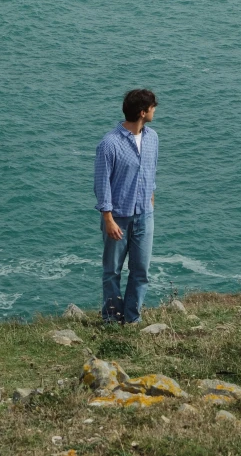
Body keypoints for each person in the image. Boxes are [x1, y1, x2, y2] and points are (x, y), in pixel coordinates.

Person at [94, 89, 159, 324]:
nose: (155, 110)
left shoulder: (153, 138)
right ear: (143, 112)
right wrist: (108, 219)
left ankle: (132, 319)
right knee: (112, 272)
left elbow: (151, 172)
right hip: (118, 218)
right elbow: (102, 184)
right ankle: (112, 320)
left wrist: (150, 198)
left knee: (141, 272)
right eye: (152, 107)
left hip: (144, 215)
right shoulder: (109, 144)